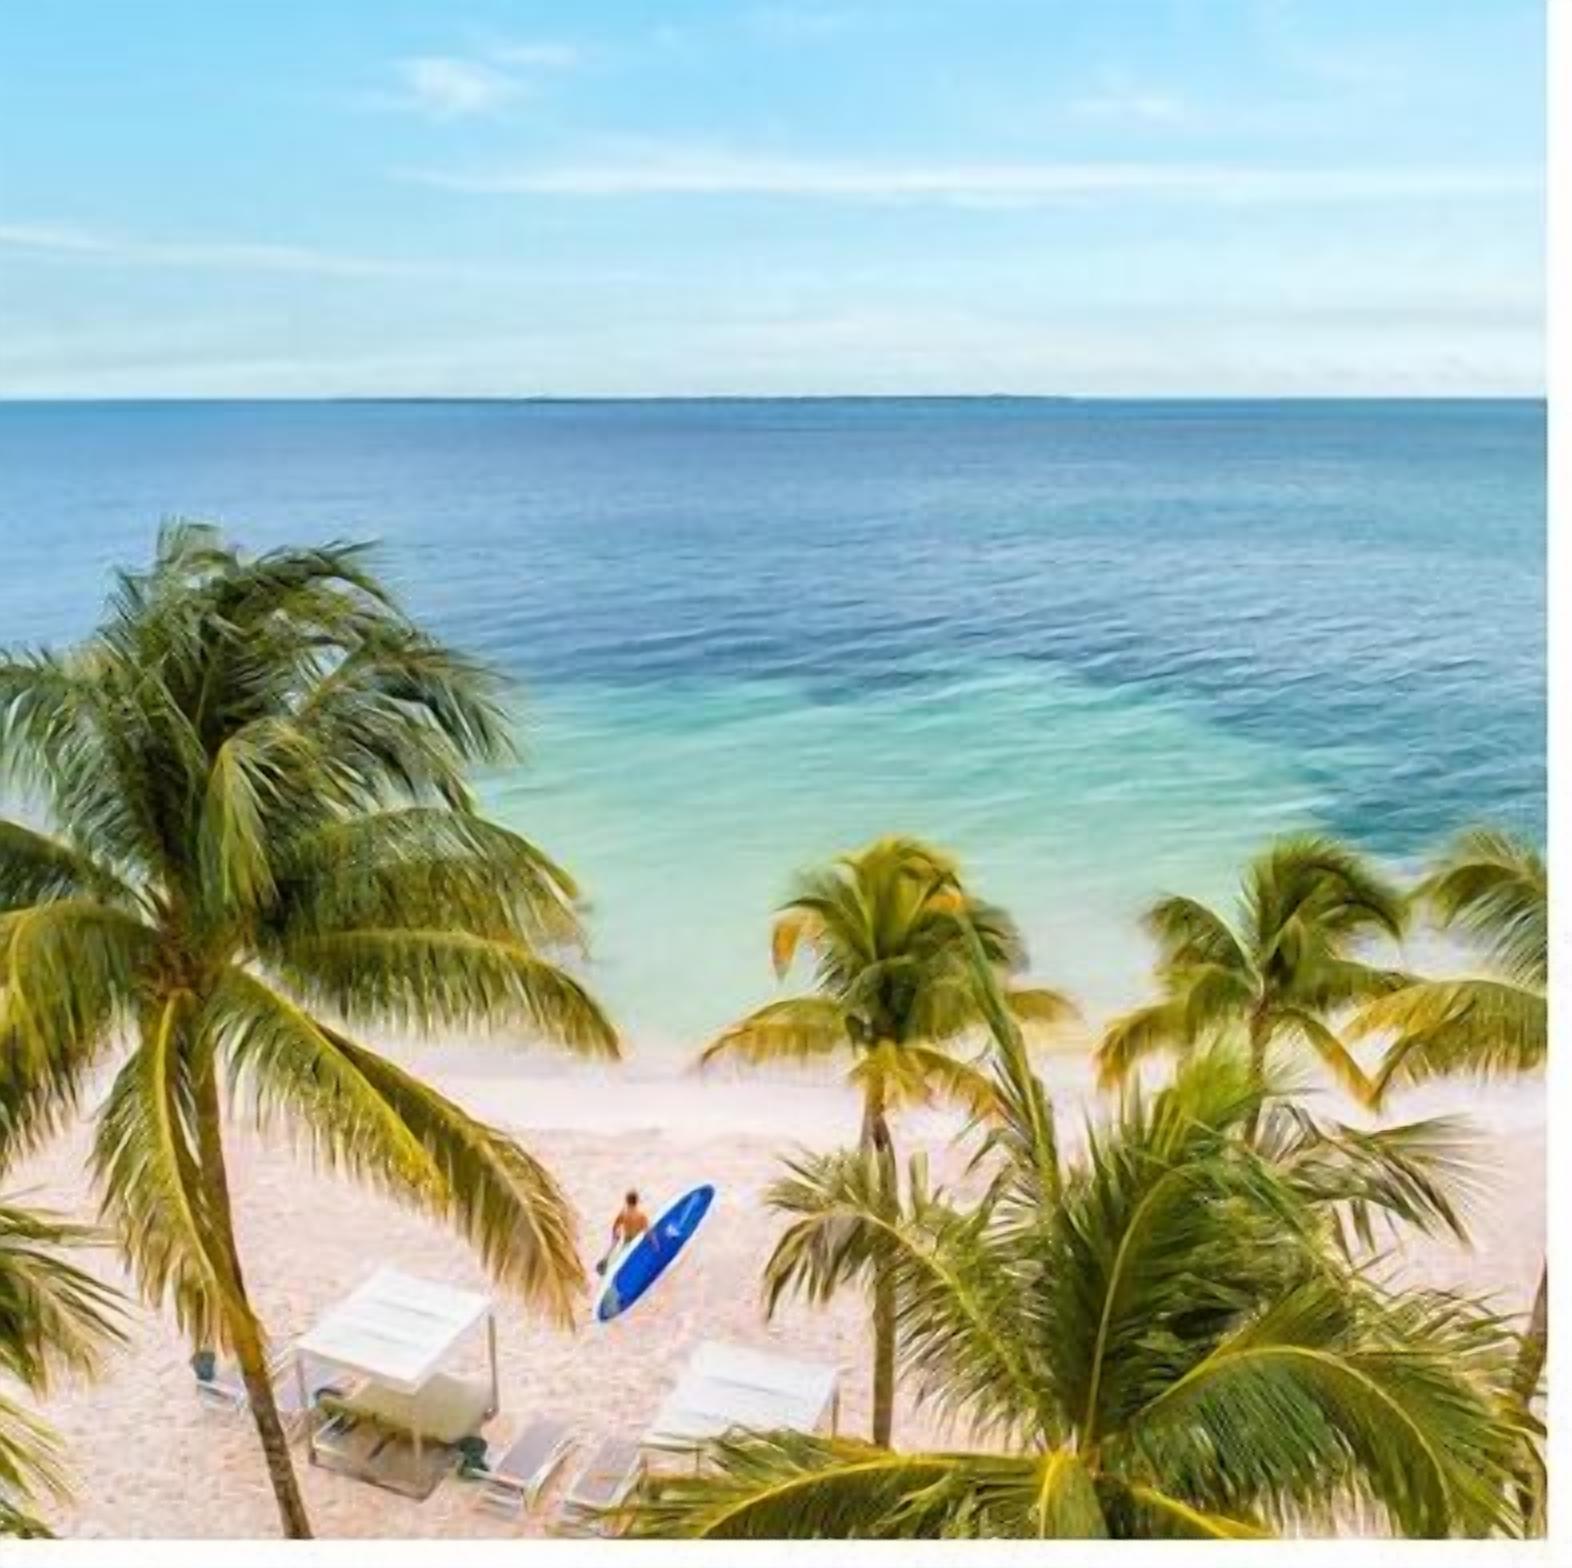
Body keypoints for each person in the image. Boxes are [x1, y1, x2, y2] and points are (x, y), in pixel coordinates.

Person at [596, 1189, 653, 1276]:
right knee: (636, 1262)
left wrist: (615, 1237)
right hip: (637, 1241)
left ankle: (611, 1271)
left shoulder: (623, 1213)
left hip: (627, 1240)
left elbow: (615, 1226)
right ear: (637, 1201)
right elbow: (648, 1232)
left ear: (626, 1201)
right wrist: (655, 1245)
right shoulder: (641, 1215)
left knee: (623, 1261)